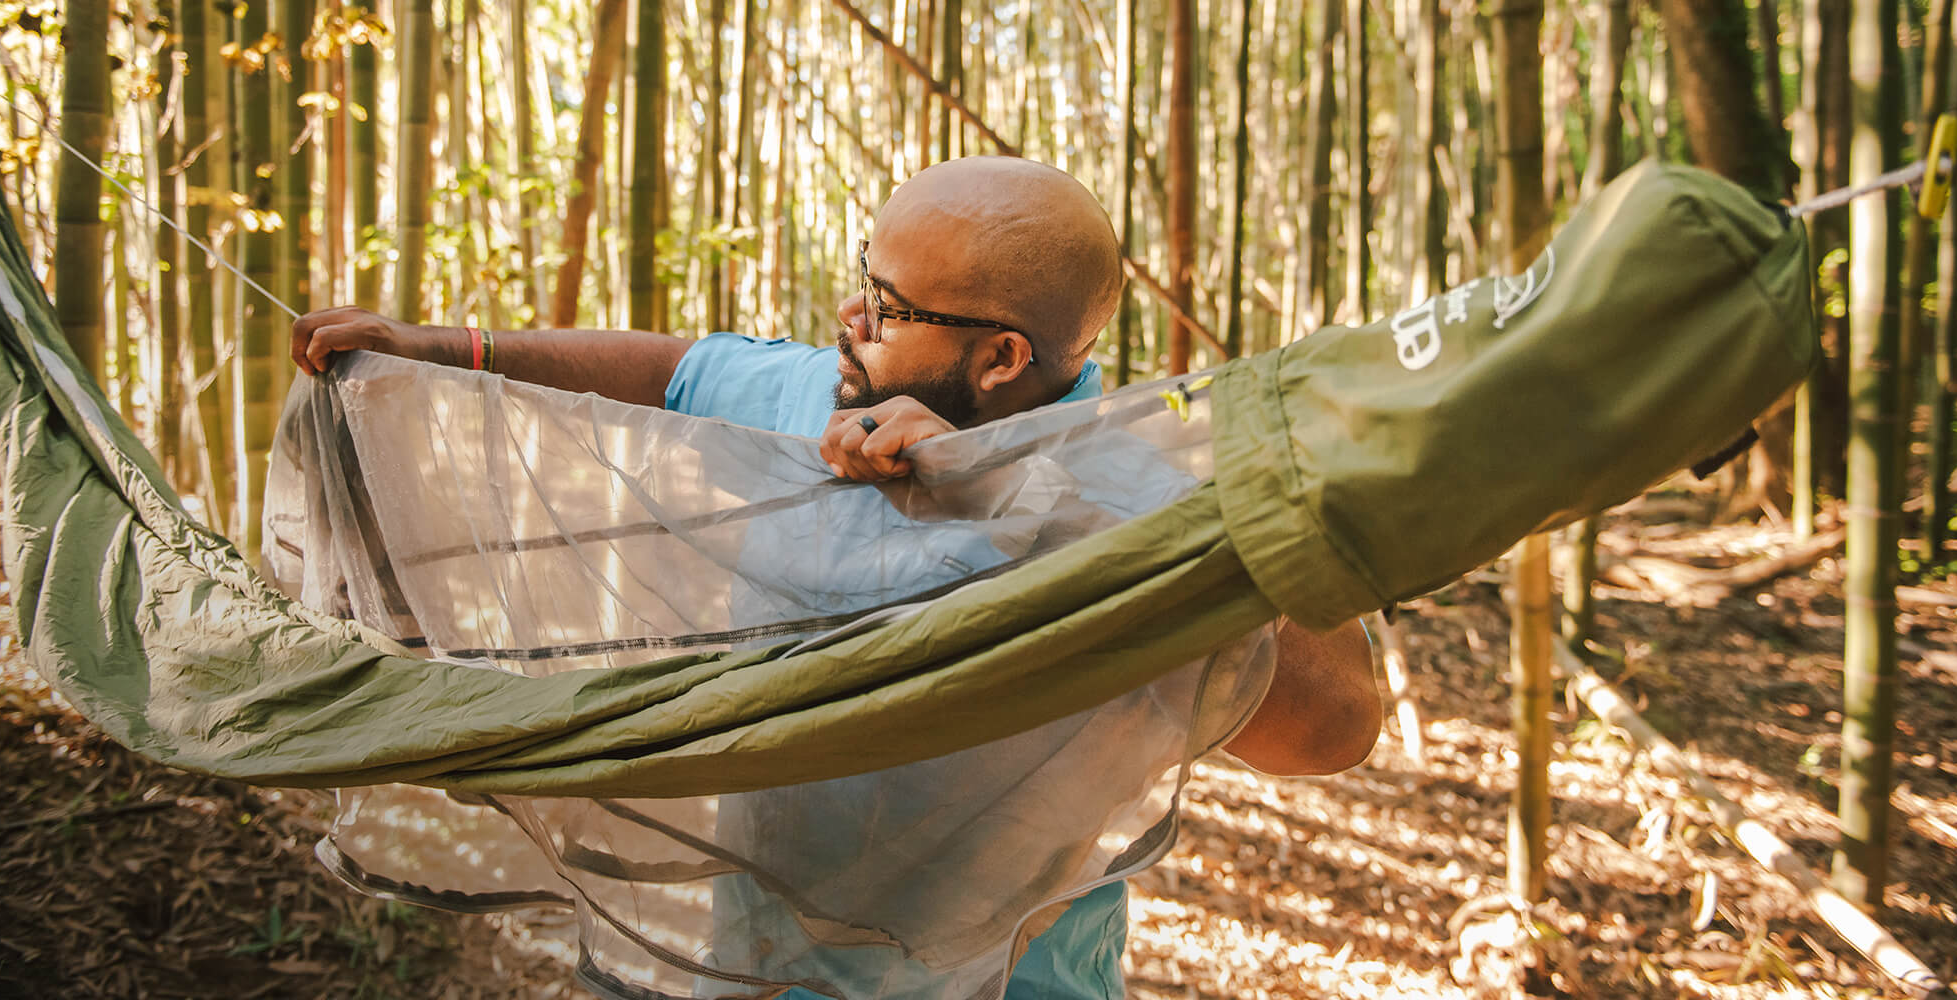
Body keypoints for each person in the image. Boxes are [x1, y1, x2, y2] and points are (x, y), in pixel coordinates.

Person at [290, 155, 1381, 1000]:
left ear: (1000, 359)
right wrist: (447, 349)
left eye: (887, 305)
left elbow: (1331, 729)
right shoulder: (820, 395)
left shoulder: (1141, 484)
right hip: (753, 960)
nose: (848, 322)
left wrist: (1012, 491)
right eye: (865, 284)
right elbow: (673, 369)